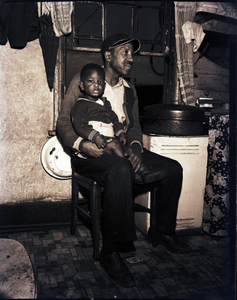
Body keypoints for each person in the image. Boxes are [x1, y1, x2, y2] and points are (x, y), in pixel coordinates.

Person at [57, 33, 192, 288]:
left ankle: (162, 231)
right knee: (120, 169)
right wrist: (82, 144)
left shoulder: (129, 89)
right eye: (125, 53)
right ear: (108, 56)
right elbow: (64, 122)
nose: (132, 58)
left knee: (172, 169)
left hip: (119, 147)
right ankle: (110, 251)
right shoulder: (84, 80)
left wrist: (135, 148)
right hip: (90, 152)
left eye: (132, 53)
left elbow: (134, 126)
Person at [71, 62, 167, 184]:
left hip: (108, 138)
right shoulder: (81, 104)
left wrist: (121, 132)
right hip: (94, 141)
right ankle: (133, 172)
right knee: (116, 145)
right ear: (82, 86)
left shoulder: (106, 103)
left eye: (100, 82)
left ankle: (144, 171)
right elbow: (79, 125)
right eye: (91, 81)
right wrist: (95, 136)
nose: (96, 85)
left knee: (127, 150)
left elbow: (115, 120)